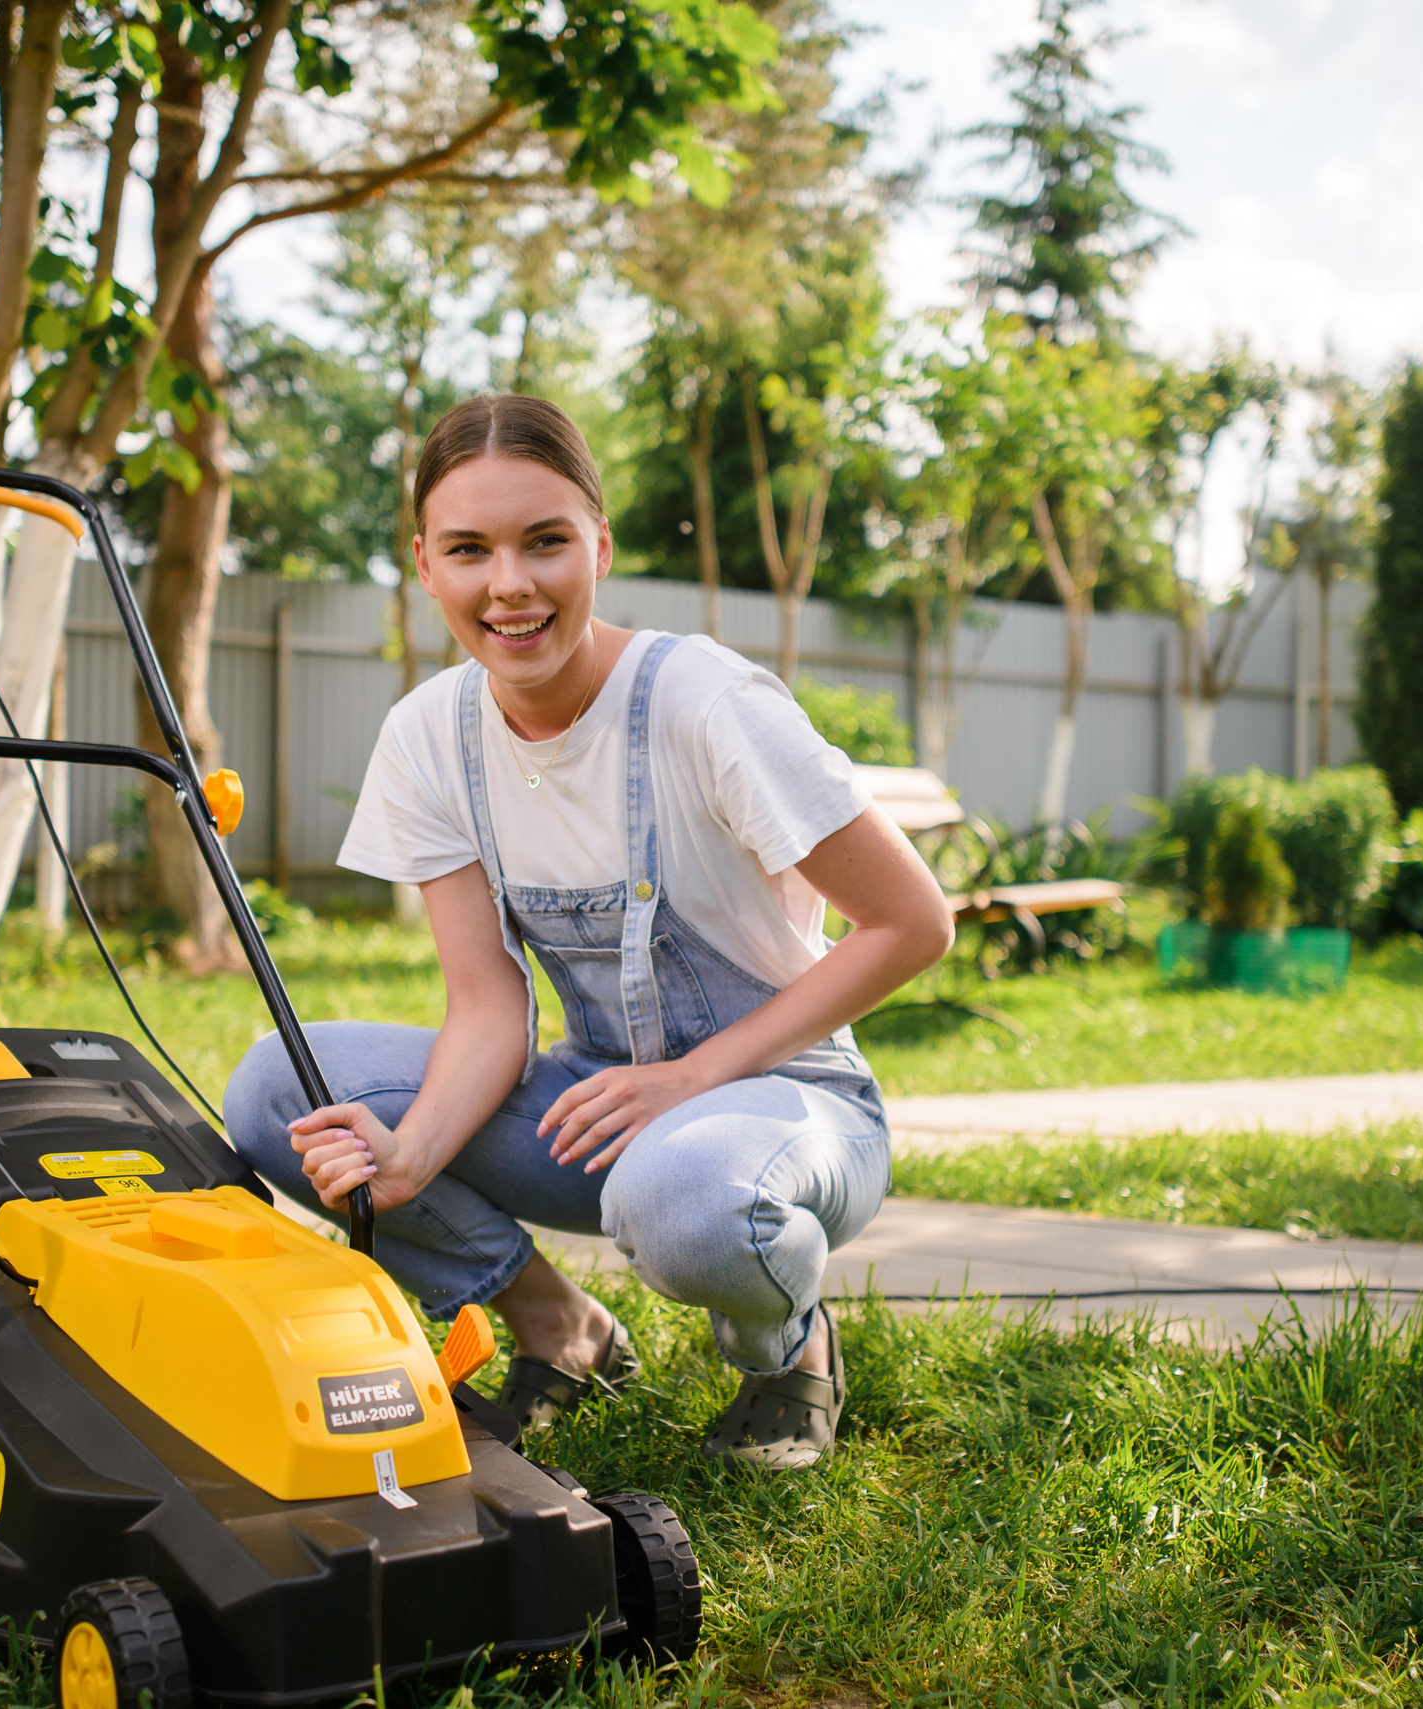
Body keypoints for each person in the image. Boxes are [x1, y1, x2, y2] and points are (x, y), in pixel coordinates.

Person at [225, 394, 952, 1468]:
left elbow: (912, 921)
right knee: (282, 1089)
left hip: (789, 1109)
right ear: (424, 565)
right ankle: (562, 1330)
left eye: (545, 541)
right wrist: (407, 1153)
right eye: (468, 549)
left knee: (688, 1199)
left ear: (599, 546)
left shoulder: (705, 702)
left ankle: (785, 1350)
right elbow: (487, 1001)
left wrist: (693, 1077)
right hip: (598, 1103)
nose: (507, 583)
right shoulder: (430, 737)